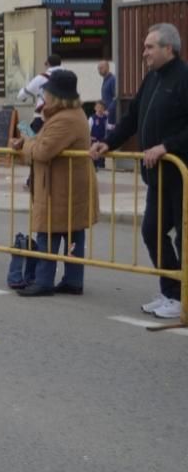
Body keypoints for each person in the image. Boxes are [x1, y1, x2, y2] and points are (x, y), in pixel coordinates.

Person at [91, 23, 188, 320]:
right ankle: (171, 292)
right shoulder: (151, 79)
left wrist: (166, 146)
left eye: (150, 47)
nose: (144, 52)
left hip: (181, 173)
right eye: (145, 46)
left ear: (168, 49)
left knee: (183, 238)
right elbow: (132, 119)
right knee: (151, 231)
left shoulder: (183, 78)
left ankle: (183, 297)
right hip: (158, 177)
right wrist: (107, 143)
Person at [10, 70, 99, 296]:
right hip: (67, 185)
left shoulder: (66, 119)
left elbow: (42, 150)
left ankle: (44, 280)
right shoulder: (67, 114)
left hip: (61, 188)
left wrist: (25, 145)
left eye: (46, 92)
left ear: (56, 95)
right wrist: (31, 141)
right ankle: (72, 280)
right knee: (72, 234)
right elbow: (43, 143)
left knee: (48, 233)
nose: (43, 96)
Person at [17, 53, 63, 135]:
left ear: (48, 64)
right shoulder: (68, 77)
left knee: (29, 137)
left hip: (42, 117)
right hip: (63, 116)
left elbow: (22, 94)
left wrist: (22, 96)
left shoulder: (41, 78)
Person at [88, 101, 109, 170]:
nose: (100, 109)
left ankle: (101, 166)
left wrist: (113, 126)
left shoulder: (105, 118)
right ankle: (94, 167)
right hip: (94, 139)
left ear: (104, 109)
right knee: (94, 152)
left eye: (101, 108)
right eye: (98, 107)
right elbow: (88, 128)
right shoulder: (92, 118)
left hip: (102, 139)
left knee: (102, 152)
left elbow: (106, 126)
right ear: (95, 108)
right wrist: (89, 137)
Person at [98, 59, 117, 128]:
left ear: (107, 67)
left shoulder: (112, 80)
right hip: (105, 115)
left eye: (101, 68)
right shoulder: (105, 80)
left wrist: (109, 110)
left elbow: (116, 97)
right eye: (98, 68)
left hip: (112, 116)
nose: (99, 70)